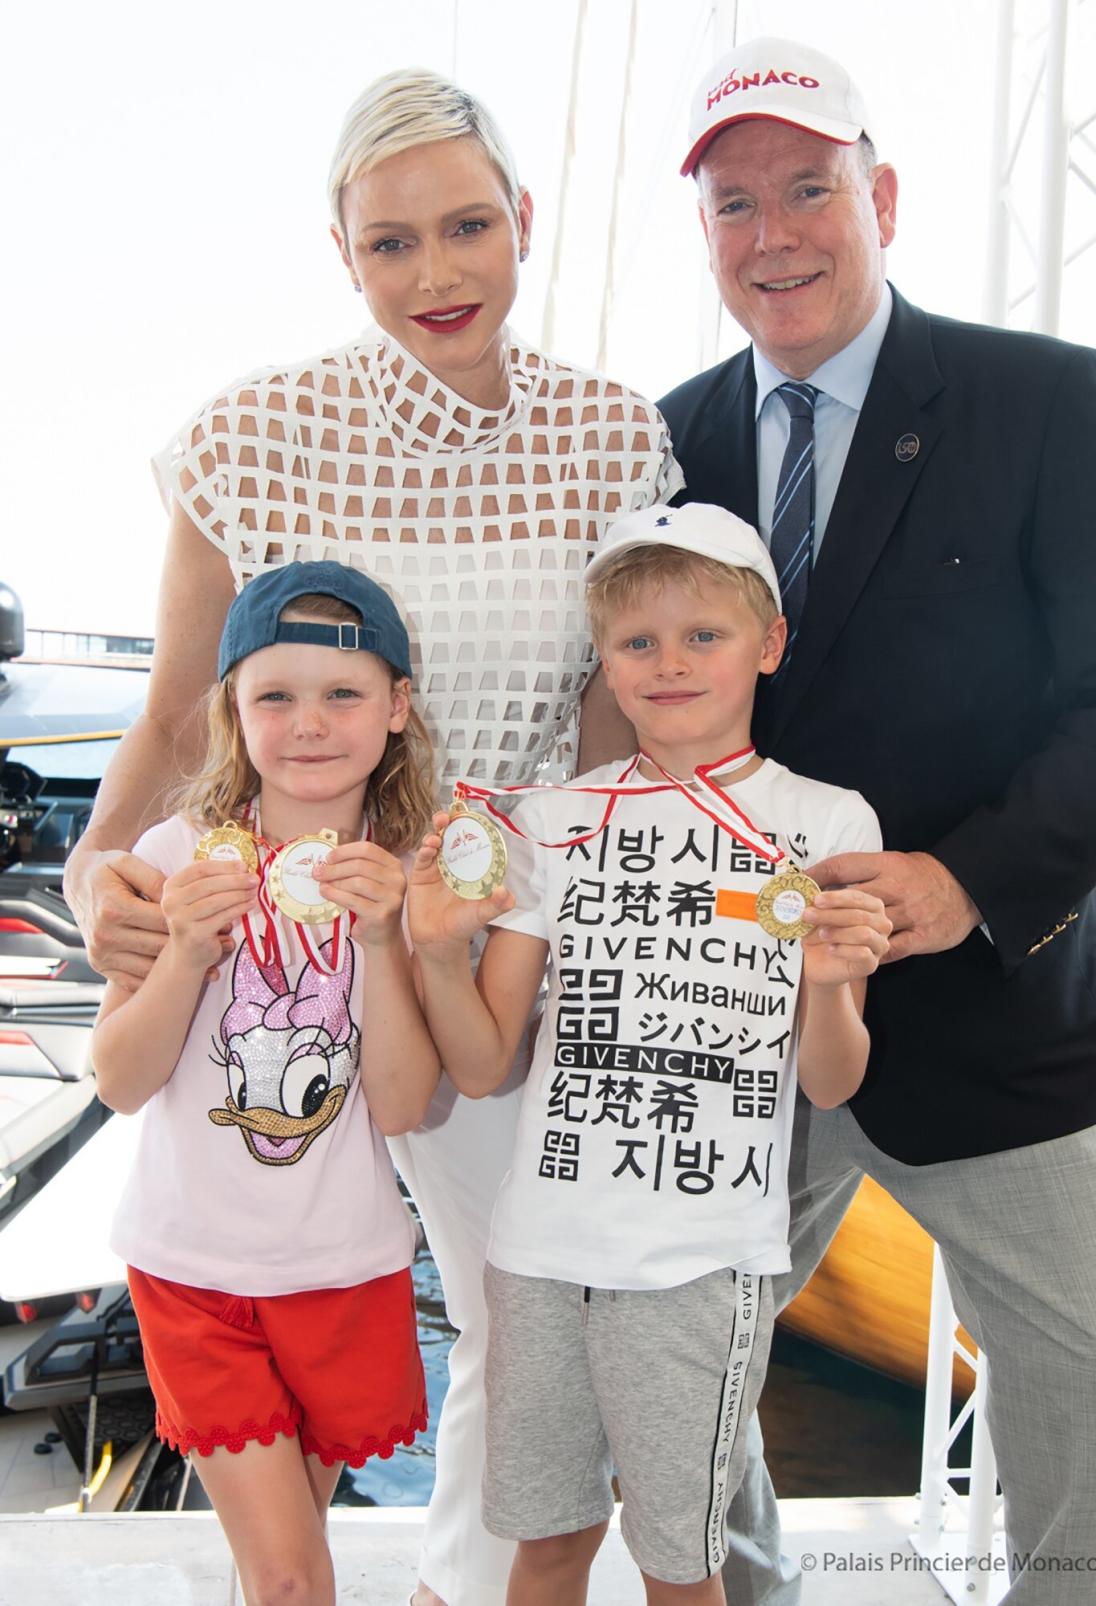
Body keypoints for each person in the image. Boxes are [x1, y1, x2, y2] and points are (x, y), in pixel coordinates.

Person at [62, 69, 681, 1606]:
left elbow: (612, 738)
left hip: (492, 950)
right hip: (276, 929)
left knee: (528, 1316)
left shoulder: (613, 438)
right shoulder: (248, 434)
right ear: (340, 250)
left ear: (523, 221)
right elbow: (168, 719)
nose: (437, 273)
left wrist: (551, 939)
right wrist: (93, 867)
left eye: (469, 226)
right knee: (251, 1290)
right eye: (391, 242)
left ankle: (452, 1590)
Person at [656, 35, 1096, 1606]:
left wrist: (965, 883)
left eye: (809, 190)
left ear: (880, 196)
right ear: (702, 239)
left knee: (1084, 1385)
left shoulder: (1047, 399)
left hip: (1001, 1016)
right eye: (735, 206)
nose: (775, 234)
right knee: (685, 1361)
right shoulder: (666, 435)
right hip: (740, 1020)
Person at [405, 501, 890, 1606]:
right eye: (637, 643)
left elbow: (832, 1079)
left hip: (699, 1263)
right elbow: (482, 1066)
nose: (669, 664)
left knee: (680, 1564)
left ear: (767, 645)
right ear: (606, 667)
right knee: (547, 1546)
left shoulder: (829, 823)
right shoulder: (551, 818)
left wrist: (822, 988)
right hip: (538, 1256)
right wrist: (436, 954)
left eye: (703, 636)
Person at [93, 562, 441, 1606]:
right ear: (232, 713)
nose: (309, 723)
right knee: (294, 1576)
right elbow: (118, 1080)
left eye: (341, 693)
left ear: (397, 709)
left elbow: (405, 1103)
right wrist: (189, 955)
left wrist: (386, 940)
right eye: (274, 696)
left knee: (280, 1566)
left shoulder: (409, 874)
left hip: (344, 1267)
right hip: (194, 1268)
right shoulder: (175, 855)